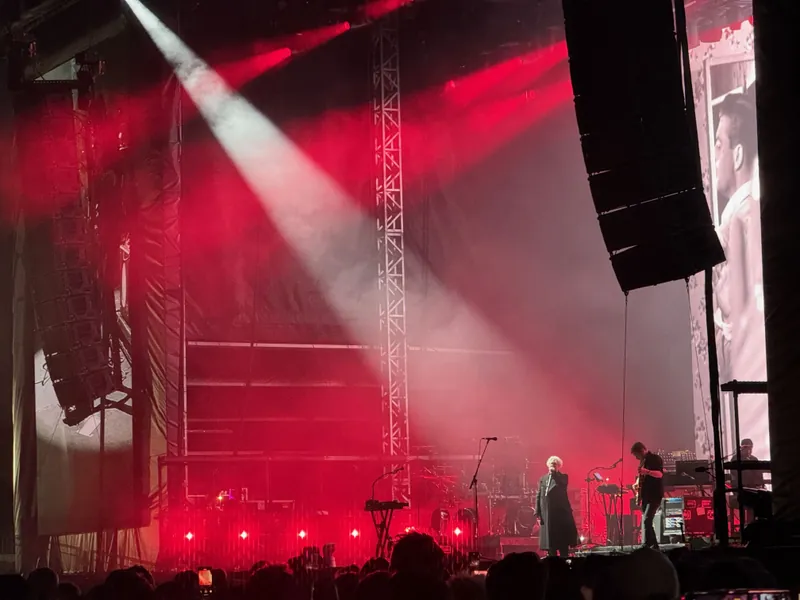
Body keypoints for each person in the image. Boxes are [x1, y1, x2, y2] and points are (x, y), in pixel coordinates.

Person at [713, 92, 764, 385]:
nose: (715, 155)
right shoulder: (738, 218)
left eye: (719, 145)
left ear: (738, 155)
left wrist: (730, 309)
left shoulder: (744, 220)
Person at [535, 456, 578, 557]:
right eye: (551, 464)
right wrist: (537, 512)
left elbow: (562, 485)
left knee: (562, 540)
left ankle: (564, 559)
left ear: (559, 466)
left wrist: (554, 475)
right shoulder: (543, 479)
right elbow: (538, 495)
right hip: (547, 513)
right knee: (550, 542)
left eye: (555, 464)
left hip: (560, 513)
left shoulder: (563, 477)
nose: (552, 466)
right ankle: (552, 559)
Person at [630, 442, 664, 549]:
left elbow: (659, 474)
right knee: (647, 521)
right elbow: (643, 477)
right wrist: (637, 484)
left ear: (642, 450)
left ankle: (649, 544)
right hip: (646, 495)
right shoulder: (643, 461)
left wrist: (647, 471)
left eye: (637, 455)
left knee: (647, 520)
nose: (636, 458)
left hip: (654, 494)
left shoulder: (654, 459)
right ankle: (653, 545)